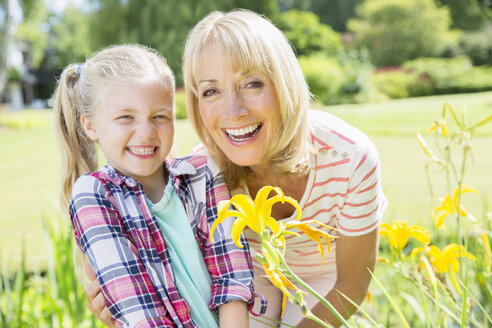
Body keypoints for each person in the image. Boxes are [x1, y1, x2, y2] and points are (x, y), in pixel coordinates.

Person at [87, 9, 387, 328]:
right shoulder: (203, 174)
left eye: (252, 84)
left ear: (285, 84)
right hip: (251, 278)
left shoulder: (350, 158)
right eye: (211, 91)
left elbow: (351, 285)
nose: (233, 111)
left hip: (327, 280)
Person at [54, 44, 263, 328]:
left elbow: (233, 277)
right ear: (90, 125)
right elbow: (140, 312)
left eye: (159, 116)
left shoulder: (203, 174)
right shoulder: (94, 195)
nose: (146, 132)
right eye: (126, 117)